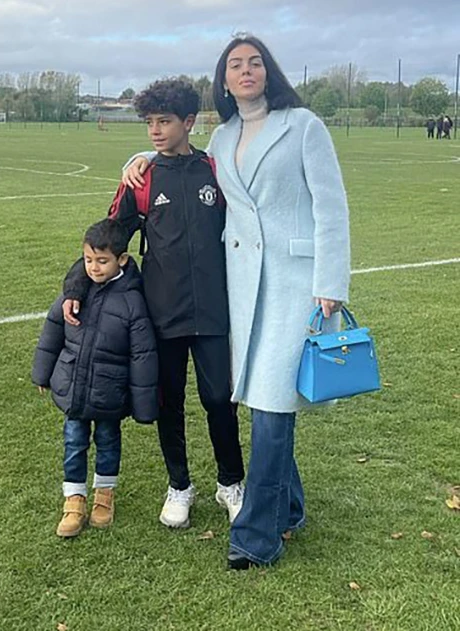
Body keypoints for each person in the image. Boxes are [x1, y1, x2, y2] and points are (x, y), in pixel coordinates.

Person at [123, 35, 351, 569]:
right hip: (242, 289)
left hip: (296, 286)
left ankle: (255, 535)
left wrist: (331, 281)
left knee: (271, 409)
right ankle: (289, 508)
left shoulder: (303, 126)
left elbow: (331, 206)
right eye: (234, 65)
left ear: (268, 71)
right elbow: (183, 163)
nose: (245, 71)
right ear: (223, 81)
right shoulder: (223, 137)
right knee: (265, 402)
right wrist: (140, 157)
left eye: (254, 62)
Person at [64, 78, 246, 530]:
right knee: (169, 402)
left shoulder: (216, 172)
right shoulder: (141, 180)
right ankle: (179, 486)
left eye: (164, 121)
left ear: (190, 122)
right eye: (149, 123)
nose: (155, 131)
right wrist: (76, 286)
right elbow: (107, 239)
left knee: (219, 399)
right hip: (161, 314)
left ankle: (231, 483)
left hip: (214, 312)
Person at [33, 219, 158, 537]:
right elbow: (53, 329)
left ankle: (104, 495)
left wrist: (144, 405)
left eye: (102, 261)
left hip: (109, 392)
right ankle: (74, 500)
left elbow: (142, 355)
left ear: (122, 259)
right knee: (74, 442)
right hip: (74, 389)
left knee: (108, 442)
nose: (93, 267)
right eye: (88, 260)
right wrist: (42, 372)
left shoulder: (133, 301)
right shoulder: (75, 293)